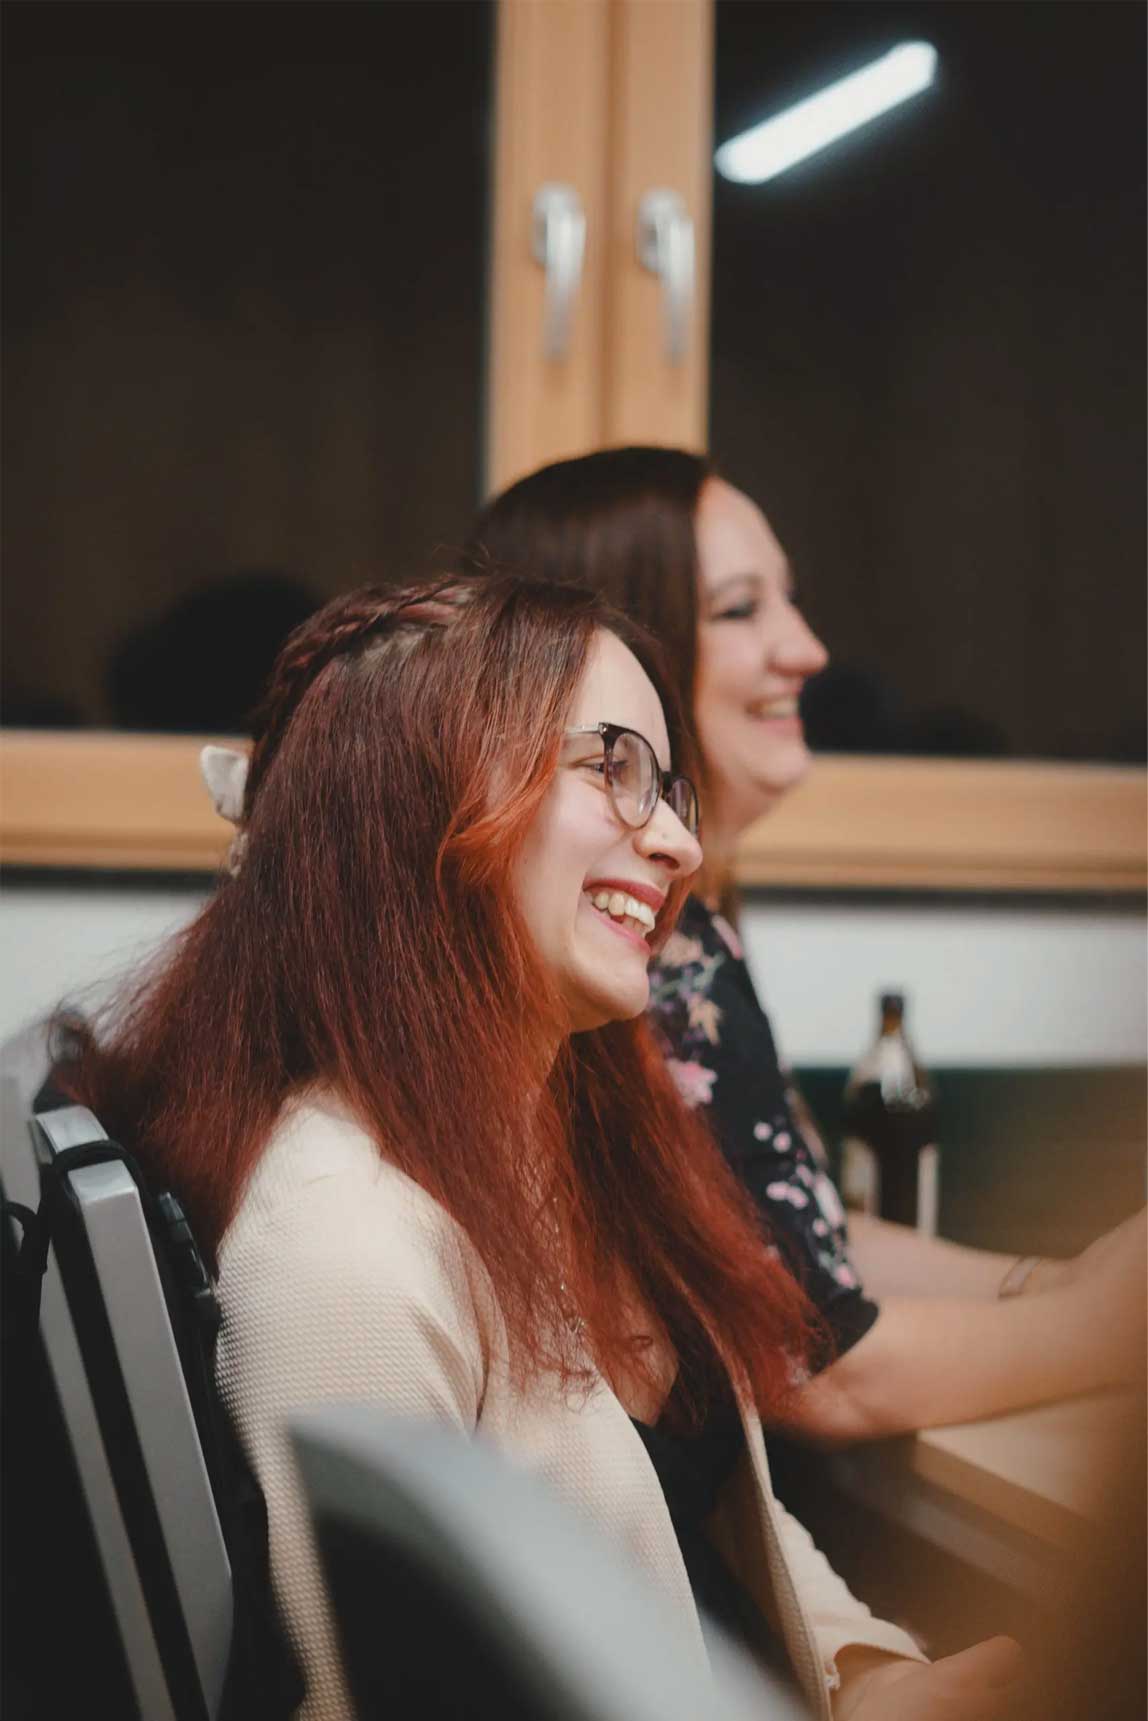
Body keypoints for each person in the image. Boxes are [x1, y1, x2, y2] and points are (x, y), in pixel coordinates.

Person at [63, 575, 1021, 1721]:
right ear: (415, 801)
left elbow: (705, 1521)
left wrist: (866, 1676)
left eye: (667, 788)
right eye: (611, 765)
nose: (676, 842)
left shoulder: (571, 1125)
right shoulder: (342, 1248)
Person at [464, 448, 1147, 1450]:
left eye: (788, 602)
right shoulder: (643, 960)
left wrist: (1051, 1281)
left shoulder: (686, 933)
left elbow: (787, 1228)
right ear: (619, 651)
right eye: (742, 609)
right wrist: (1100, 1326)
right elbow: (818, 1369)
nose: (807, 649)